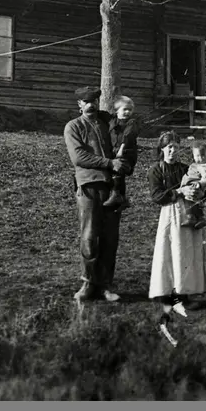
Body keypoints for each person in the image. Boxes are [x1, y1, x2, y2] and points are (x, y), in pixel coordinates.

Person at [64, 86, 127, 303]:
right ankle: (88, 282)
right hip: (88, 187)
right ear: (79, 104)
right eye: (86, 101)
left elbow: (124, 144)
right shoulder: (73, 126)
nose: (91, 104)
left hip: (111, 188)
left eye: (94, 100)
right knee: (89, 237)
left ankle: (106, 285)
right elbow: (79, 157)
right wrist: (109, 163)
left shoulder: (107, 124)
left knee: (110, 238)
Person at [147, 131, 206, 319]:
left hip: (189, 212)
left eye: (176, 147)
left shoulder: (186, 168)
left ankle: (183, 293)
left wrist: (199, 193)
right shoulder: (156, 170)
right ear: (162, 149)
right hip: (170, 214)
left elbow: (200, 185)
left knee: (185, 253)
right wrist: (179, 191)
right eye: (169, 147)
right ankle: (166, 294)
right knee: (171, 251)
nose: (173, 151)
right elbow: (157, 195)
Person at [102, 95, 139, 211]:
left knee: (118, 168)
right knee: (114, 172)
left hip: (127, 152)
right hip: (115, 151)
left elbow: (128, 136)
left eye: (130, 110)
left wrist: (121, 150)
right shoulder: (113, 120)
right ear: (117, 110)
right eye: (125, 109)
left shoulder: (131, 123)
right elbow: (103, 115)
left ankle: (116, 195)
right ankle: (122, 198)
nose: (128, 112)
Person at [178, 141, 206, 229]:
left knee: (189, 201)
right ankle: (200, 218)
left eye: (203, 155)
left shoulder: (204, 166)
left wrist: (199, 184)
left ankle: (190, 217)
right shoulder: (196, 165)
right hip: (191, 184)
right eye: (197, 156)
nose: (200, 158)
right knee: (195, 202)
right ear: (193, 156)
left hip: (194, 185)